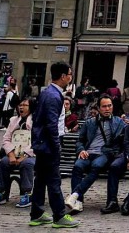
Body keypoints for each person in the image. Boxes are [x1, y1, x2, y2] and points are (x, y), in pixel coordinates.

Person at [29, 61, 79, 228]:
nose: (71, 77)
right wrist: (56, 145)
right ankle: (59, 215)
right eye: (70, 74)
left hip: (42, 143)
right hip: (48, 144)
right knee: (53, 180)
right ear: (63, 76)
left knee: (41, 179)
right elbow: (51, 124)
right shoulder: (53, 95)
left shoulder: (48, 92)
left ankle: (36, 213)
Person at [65, 95, 126, 213]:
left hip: (104, 154)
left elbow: (126, 137)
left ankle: (75, 195)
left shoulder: (119, 122)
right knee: (77, 167)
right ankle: (78, 202)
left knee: (96, 166)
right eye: (104, 106)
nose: (107, 109)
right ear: (98, 108)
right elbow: (80, 140)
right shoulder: (90, 122)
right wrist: (81, 150)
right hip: (88, 153)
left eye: (109, 106)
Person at [0, 97, 35, 208]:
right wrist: (10, 154)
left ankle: (27, 193)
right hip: (13, 153)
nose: (21, 107)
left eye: (25, 105)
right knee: (3, 163)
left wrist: (24, 156)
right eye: (20, 105)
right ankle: (1, 192)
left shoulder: (36, 121)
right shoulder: (13, 120)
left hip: (30, 154)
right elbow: (6, 139)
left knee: (27, 164)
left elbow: (37, 142)